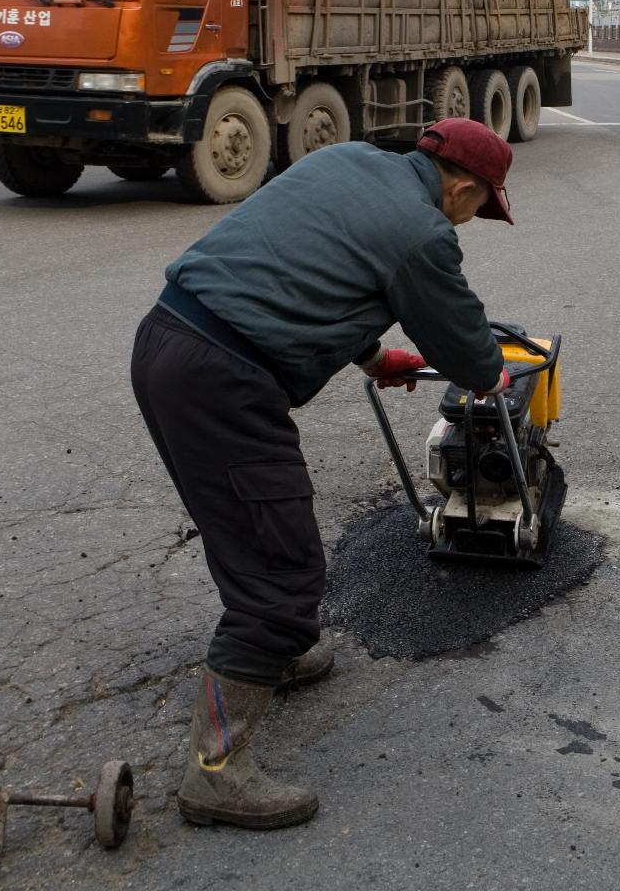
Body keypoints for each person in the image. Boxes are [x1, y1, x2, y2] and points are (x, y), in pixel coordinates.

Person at [130, 116, 514, 830]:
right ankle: (215, 776)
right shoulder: (424, 231)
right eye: (479, 207)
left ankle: (280, 651)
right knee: (282, 571)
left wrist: (372, 357)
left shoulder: (346, 160)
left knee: (243, 524)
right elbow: (464, 345)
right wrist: (490, 375)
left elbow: (308, 270)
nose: (472, 219)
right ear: (461, 187)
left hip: (166, 343)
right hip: (225, 381)